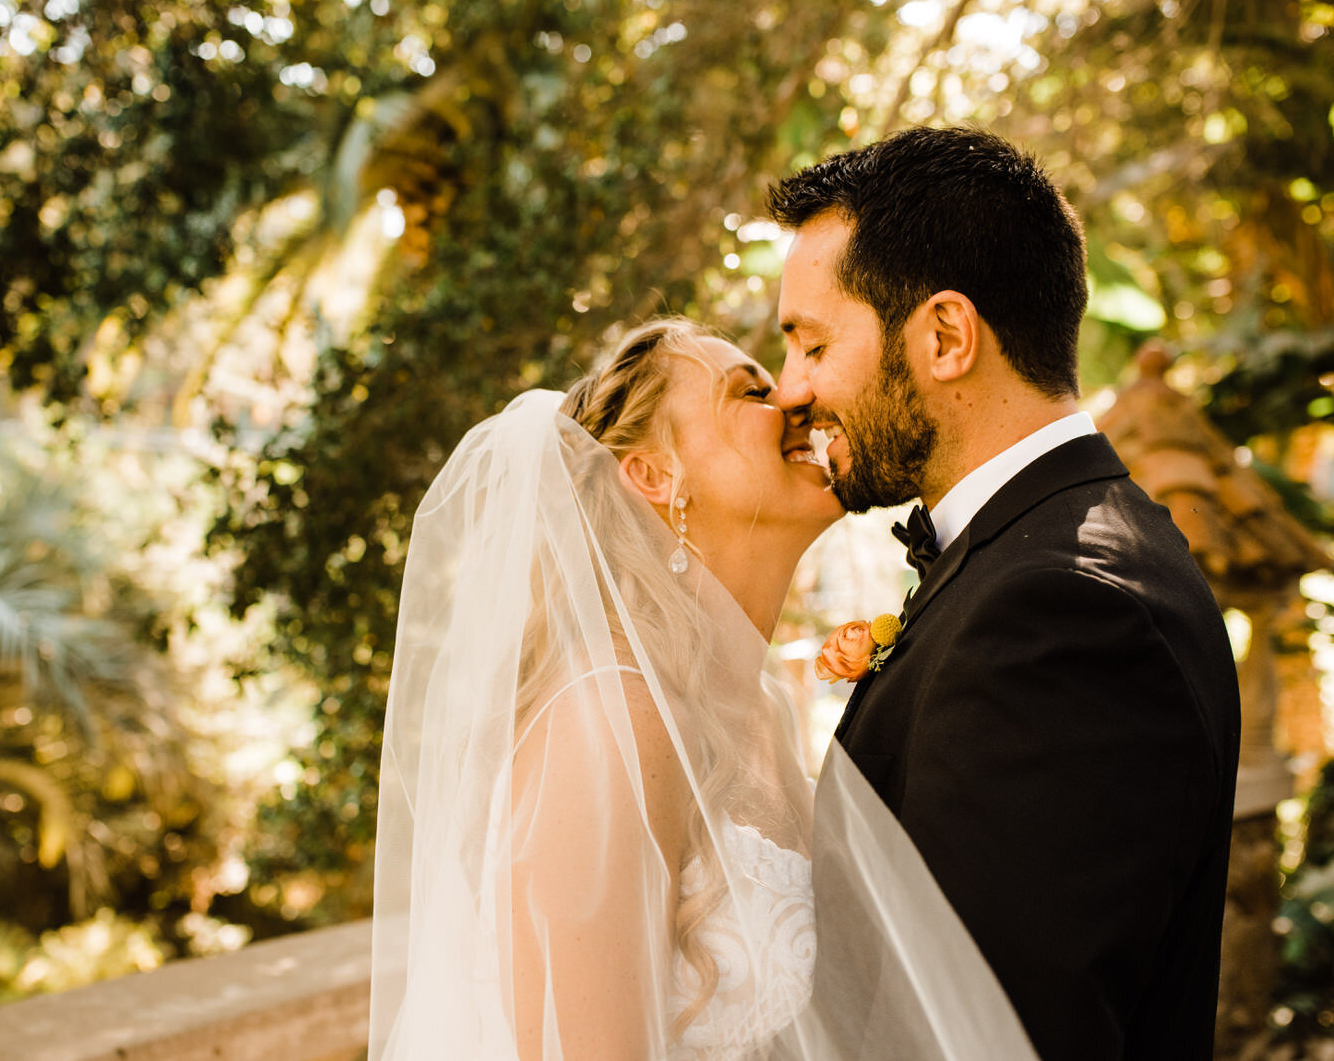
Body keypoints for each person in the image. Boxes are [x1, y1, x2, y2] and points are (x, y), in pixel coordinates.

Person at [368, 318, 1040, 1059]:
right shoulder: (608, 718)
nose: (792, 396)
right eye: (749, 390)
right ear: (653, 474)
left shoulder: (759, 711)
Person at [769, 125, 1241, 1061]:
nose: (792, 390)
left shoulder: (1065, 611)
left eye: (814, 344)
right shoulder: (1048, 556)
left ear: (946, 337)